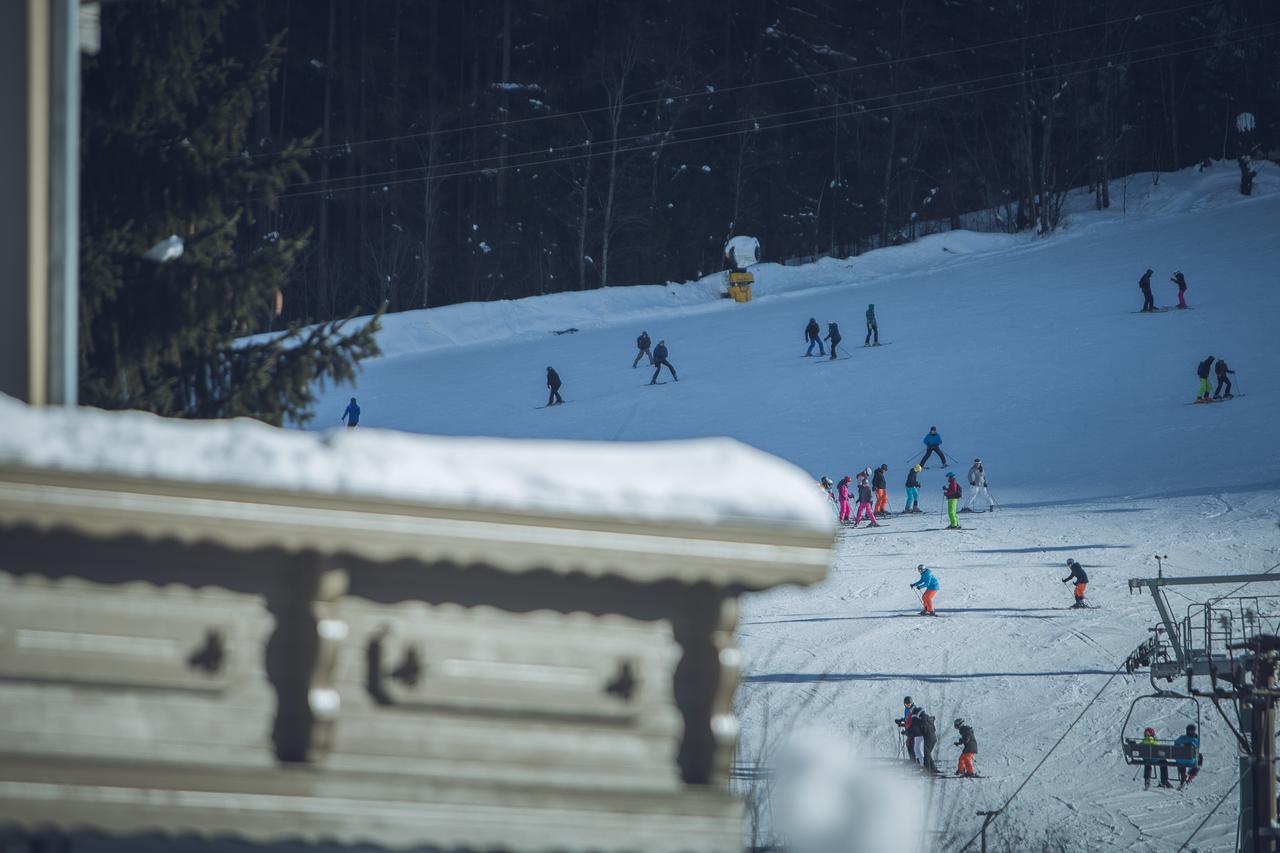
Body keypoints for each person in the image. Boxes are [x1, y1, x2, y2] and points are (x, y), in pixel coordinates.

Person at [1174, 724, 1202, 789]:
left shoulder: (1181, 738)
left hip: (1180, 761)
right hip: (1190, 760)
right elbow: (1197, 747)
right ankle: (1190, 777)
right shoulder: (1194, 739)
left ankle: (1183, 776)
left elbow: (1175, 744)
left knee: (1181, 758)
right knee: (1199, 757)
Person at [895, 697, 921, 765]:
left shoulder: (913, 709)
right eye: (906, 705)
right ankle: (912, 759)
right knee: (908, 744)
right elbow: (907, 719)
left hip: (913, 731)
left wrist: (906, 729)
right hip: (909, 729)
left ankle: (915, 760)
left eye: (909, 704)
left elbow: (912, 722)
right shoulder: (907, 709)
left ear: (912, 703)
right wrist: (901, 721)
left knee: (912, 744)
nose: (908, 706)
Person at [914, 707, 939, 772]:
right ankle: (933, 768)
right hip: (933, 738)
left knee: (926, 754)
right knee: (928, 754)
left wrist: (919, 726)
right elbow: (933, 728)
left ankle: (927, 770)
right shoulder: (928, 718)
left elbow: (924, 730)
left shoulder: (923, 720)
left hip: (929, 739)